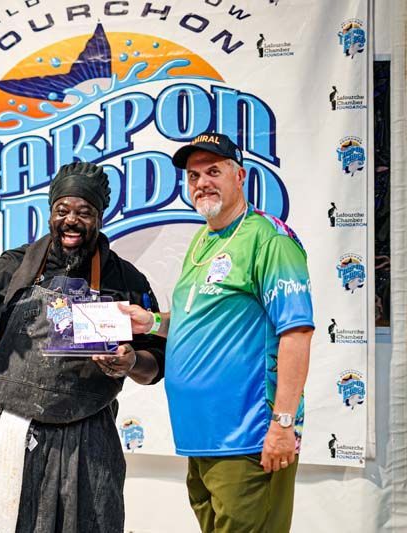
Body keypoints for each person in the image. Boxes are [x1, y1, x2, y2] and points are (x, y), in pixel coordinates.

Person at [0, 162, 166, 532]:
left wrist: (131, 362)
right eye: (62, 210)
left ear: (99, 217)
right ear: (50, 213)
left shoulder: (125, 279)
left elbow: (155, 363)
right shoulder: (13, 266)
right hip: (8, 430)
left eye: (84, 212)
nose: (71, 221)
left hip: (87, 440)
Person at [121, 132, 314, 532]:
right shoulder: (203, 239)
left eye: (213, 171)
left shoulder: (269, 239)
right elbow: (199, 320)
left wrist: (282, 425)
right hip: (201, 438)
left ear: (239, 175)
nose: (202, 182)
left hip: (247, 438)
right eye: (193, 175)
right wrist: (152, 322)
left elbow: (296, 333)